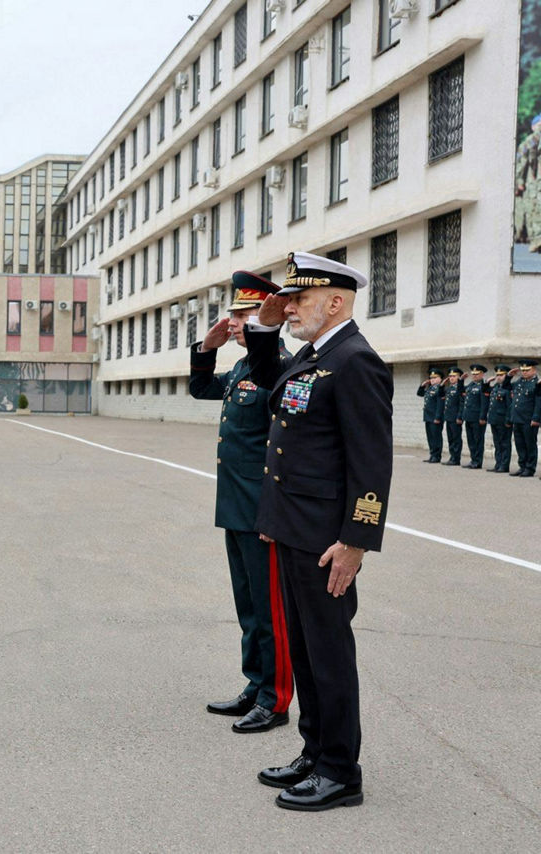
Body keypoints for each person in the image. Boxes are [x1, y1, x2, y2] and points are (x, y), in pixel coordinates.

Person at [245, 252, 393, 812]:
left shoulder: (355, 361)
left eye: (300, 301)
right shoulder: (317, 356)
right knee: (305, 653)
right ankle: (315, 751)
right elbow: (268, 383)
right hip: (293, 529)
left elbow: (372, 463)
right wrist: (264, 323)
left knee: (328, 654)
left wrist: (356, 541)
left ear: (335, 302)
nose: (290, 311)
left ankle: (340, 771)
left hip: (328, 540)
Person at [189, 271, 293, 734]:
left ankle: (275, 698)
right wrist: (206, 349)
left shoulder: (281, 368)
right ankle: (256, 684)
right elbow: (200, 389)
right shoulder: (242, 369)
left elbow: (289, 447)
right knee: (248, 605)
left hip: (261, 510)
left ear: (270, 317)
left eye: (245, 314)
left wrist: (276, 510)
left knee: (271, 610)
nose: (234, 322)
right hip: (235, 505)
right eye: (233, 314)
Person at [509, 359, 539, 477]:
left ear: (534, 370)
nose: (524, 372)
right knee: (520, 444)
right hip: (517, 418)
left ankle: (530, 468)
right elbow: (506, 387)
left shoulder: (537, 383)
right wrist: (508, 376)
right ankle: (522, 466)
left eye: (527, 370)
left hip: (529, 419)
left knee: (530, 444)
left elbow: (538, 402)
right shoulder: (519, 382)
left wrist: (536, 418)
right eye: (523, 370)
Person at [460, 364, 490, 469]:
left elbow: (484, 403)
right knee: (471, 440)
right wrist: (461, 380)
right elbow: (461, 391)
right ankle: (473, 459)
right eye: (473, 374)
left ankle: (477, 461)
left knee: (478, 440)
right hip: (468, 417)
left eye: (477, 374)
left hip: (477, 418)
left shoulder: (484, 386)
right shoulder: (471, 385)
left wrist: (482, 417)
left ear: (482, 374)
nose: (474, 376)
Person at [486, 365, 514, 473]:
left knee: (505, 443)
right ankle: (498, 463)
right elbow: (485, 391)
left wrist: (508, 420)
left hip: (503, 421)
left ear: (506, 376)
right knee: (497, 443)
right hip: (494, 420)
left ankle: (504, 465)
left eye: (501, 375)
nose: (498, 377)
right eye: (497, 375)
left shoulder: (508, 388)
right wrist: (487, 382)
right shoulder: (496, 387)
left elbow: (510, 406)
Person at [418, 369, 445, 464]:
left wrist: (437, 417)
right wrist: (422, 386)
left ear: (440, 379)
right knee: (430, 437)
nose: (432, 379)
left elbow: (440, 404)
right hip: (428, 416)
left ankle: (437, 456)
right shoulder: (430, 388)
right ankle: (432, 454)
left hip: (435, 417)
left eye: (435, 378)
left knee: (436, 437)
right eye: (431, 378)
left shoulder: (441, 389)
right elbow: (420, 394)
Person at [441, 367, 464, 466]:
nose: (451, 378)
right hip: (448, 417)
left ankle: (456, 458)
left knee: (456, 438)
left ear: (459, 377)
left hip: (455, 417)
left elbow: (462, 403)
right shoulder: (449, 388)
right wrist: (442, 385)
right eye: (450, 376)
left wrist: (460, 416)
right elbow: (440, 395)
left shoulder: (460, 388)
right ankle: (452, 456)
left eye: (454, 376)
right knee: (450, 438)